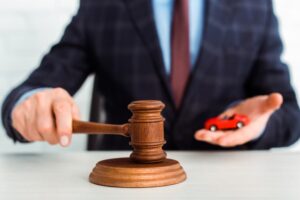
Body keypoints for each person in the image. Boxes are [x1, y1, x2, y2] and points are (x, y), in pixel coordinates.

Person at [2, 0, 300, 150]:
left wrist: (259, 125)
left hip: (225, 185)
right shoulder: (102, 5)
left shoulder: (254, 6)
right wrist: (28, 106)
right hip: (123, 187)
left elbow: (289, 113)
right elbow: (31, 90)